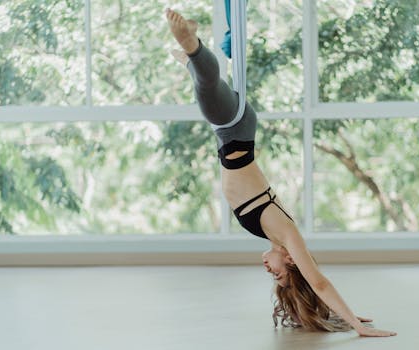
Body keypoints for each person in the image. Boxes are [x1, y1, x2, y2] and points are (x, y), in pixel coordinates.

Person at [165, 8, 397, 337]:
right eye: (278, 274)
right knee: (206, 88)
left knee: (207, 86)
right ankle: (191, 45)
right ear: (290, 261)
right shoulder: (288, 236)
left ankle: (191, 57)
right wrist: (358, 326)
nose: (268, 270)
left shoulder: (274, 235)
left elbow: (314, 287)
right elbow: (317, 280)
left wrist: (341, 316)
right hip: (235, 133)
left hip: (234, 133)